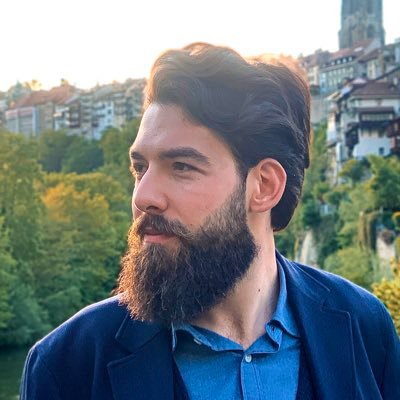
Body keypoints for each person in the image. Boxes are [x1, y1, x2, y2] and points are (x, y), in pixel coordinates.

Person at [21, 42, 399, 400]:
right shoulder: (67, 366)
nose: (143, 196)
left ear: (264, 186)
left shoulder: (364, 327)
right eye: (140, 168)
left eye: (181, 167)